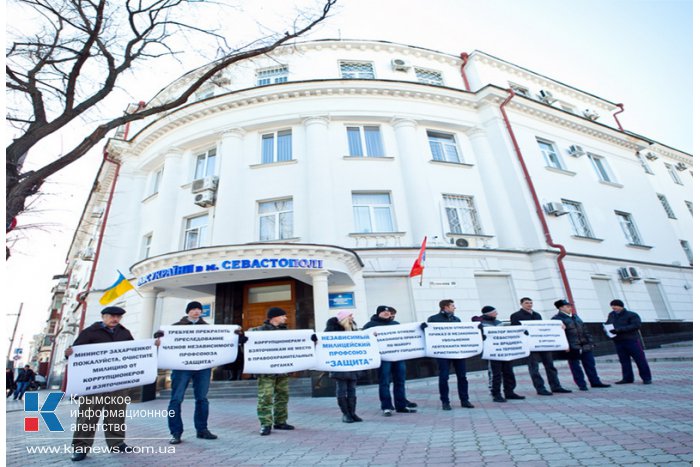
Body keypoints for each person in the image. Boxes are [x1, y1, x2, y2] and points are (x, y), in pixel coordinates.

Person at [65, 306, 134, 462]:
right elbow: (76, 351)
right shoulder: (90, 332)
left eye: (118, 317)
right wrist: (68, 353)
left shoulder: (125, 333)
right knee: (88, 415)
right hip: (94, 383)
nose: (115, 319)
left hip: (117, 381)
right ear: (103, 316)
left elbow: (134, 353)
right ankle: (80, 447)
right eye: (111, 316)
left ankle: (117, 443)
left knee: (116, 414)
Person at [154, 301, 218, 445]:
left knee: (202, 399)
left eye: (198, 309)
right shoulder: (176, 327)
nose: (196, 312)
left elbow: (219, 341)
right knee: (176, 399)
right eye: (193, 309)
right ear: (188, 311)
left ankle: (202, 430)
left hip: (202, 367)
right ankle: (175, 432)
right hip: (181, 367)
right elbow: (163, 341)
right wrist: (159, 337)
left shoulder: (208, 328)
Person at [510, 298, 572, 395]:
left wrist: (558, 326)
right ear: (521, 304)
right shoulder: (516, 315)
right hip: (530, 345)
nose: (529, 305)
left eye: (531, 303)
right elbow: (516, 330)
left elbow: (543, 327)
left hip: (543, 344)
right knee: (534, 368)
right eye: (526, 303)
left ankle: (556, 386)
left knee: (550, 366)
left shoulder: (537, 314)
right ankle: (540, 388)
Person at [362, 306, 416, 416]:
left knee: (400, 381)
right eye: (384, 311)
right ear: (378, 313)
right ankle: (386, 407)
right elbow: (364, 340)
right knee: (384, 382)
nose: (387, 313)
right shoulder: (370, 326)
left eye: (388, 311)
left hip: (398, 357)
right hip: (383, 359)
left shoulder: (395, 324)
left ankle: (401, 406)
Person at [250, 307, 296, 436]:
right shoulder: (258, 331)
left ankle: (280, 421)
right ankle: (265, 424)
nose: (285, 318)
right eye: (283, 316)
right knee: (265, 397)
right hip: (266, 372)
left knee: (282, 396)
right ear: (274, 317)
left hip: (282, 371)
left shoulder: (286, 332)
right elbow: (247, 343)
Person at [551, 299, 611, 391]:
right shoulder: (556, 319)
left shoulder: (576, 317)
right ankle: (582, 385)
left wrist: (590, 342)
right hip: (571, 346)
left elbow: (585, 330)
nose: (570, 308)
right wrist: (565, 345)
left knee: (590, 364)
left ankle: (595, 382)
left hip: (585, 345)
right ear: (561, 308)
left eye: (570, 306)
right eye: (567, 306)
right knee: (576, 367)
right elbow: (558, 335)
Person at [426, 299, 473, 410]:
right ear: (445, 307)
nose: (454, 308)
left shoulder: (456, 319)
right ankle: (445, 402)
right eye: (452, 306)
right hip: (443, 353)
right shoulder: (433, 319)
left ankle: (465, 400)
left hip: (458, 352)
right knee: (444, 377)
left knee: (462, 376)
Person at [474, 306, 525, 403]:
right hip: (492, 353)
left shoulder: (499, 323)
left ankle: (509, 392)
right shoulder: (481, 324)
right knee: (495, 374)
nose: (496, 313)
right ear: (488, 313)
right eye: (494, 312)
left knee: (508, 372)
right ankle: (496, 394)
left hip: (504, 351)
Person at [324, 310, 363, 423]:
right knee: (342, 389)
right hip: (339, 365)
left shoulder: (354, 330)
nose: (352, 317)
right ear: (345, 318)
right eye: (350, 315)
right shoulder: (331, 331)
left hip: (353, 364)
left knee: (352, 389)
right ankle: (345, 414)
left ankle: (352, 413)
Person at [605, 299, 652, 385]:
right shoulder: (611, 315)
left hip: (631, 340)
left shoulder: (632, 315)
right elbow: (608, 324)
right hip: (618, 341)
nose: (613, 307)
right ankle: (627, 378)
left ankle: (646, 378)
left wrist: (619, 330)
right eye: (612, 306)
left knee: (640, 360)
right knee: (624, 361)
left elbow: (636, 325)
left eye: (615, 305)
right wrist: (606, 329)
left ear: (621, 306)